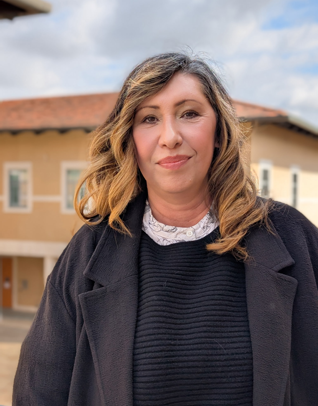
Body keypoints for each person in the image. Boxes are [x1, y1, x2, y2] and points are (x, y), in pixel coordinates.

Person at [13, 53, 318, 406]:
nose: (170, 136)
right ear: (131, 141)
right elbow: (37, 394)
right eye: (149, 118)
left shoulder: (293, 236)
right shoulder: (87, 253)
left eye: (189, 113)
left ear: (218, 132)